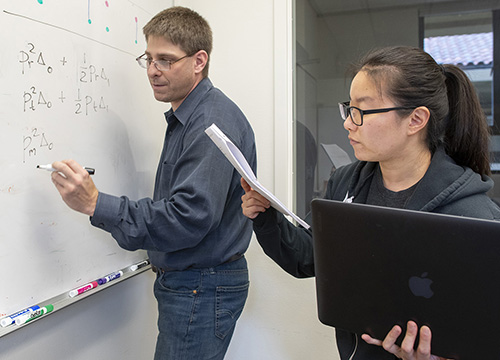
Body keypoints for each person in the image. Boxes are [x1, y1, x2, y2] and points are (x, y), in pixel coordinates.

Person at [241, 46, 500, 360]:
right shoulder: (347, 182)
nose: (349, 123)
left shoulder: (474, 217)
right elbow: (308, 258)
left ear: (416, 119)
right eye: (348, 108)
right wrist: (267, 217)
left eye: (361, 111)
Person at [50, 6, 256, 360]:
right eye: (147, 58)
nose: (152, 71)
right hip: (194, 285)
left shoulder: (210, 120)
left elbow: (187, 218)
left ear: (199, 61)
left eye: (165, 60)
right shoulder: (189, 115)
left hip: (200, 286)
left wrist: (96, 203)